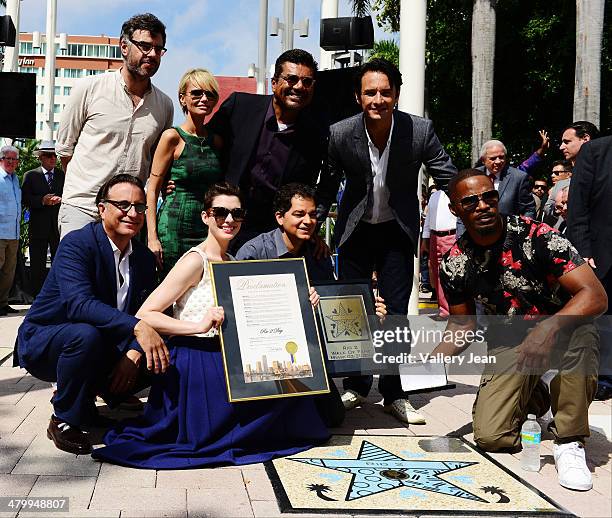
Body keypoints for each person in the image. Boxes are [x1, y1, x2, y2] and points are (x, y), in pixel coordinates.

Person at [92, 182, 329, 469]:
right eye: (220, 213)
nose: (229, 220)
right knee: (214, 432)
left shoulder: (231, 261)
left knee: (295, 394)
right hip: (195, 357)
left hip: (226, 356)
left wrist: (302, 302)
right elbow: (146, 313)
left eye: (236, 214)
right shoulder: (196, 260)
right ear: (206, 217)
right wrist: (198, 325)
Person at [433, 168, 607, 491]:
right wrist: (429, 361)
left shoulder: (538, 236)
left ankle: (570, 440)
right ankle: (541, 390)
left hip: (565, 328)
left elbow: (595, 295)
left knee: (581, 334)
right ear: (455, 209)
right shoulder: (455, 262)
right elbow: (462, 324)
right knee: (491, 435)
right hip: (512, 341)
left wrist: (550, 327)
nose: (483, 205)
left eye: (489, 196)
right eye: (471, 201)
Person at [316, 58, 457, 424]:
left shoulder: (420, 131)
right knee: (352, 312)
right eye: (370, 92)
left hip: (397, 230)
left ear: (396, 94)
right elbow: (327, 188)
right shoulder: (341, 133)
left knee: (396, 314)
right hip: (355, 230)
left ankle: (394, 392)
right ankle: (357, 385)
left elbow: (446, 174)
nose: (378, 99)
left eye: (385, 92)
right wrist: (313, 229)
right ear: (358, 96)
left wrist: (470, 212)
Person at [15, 175, 169, 455]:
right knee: (87, 335)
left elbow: (153, 310)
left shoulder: (144, 258)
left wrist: (134, 353)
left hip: (103, 342)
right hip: (48, 341)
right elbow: (79, 305)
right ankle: (63, 418)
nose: (132, 213)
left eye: (139, 207)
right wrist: (137, 328)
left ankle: (96, 398)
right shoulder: (78, 244)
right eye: (122, 205)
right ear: (101, 209)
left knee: (161, 348)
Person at [236, 182, 388, 427]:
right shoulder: (254, 252)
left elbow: (331, 308)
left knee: (332, 417)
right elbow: (240, 311)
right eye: (298, 214)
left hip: (306, 354)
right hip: (264, 353)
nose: (308, 221)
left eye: (312, 214)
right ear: (279, 217)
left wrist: (368, 314)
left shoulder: (318, 255)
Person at [55, 13, 173, 238]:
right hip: (84, 209)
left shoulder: (164, 106)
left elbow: (157, 161)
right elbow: (65, 151)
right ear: (124, 47)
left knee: (120, 275)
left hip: (130, 215)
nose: (153, 54)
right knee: (77, 273)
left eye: (159, 49)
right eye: (145, 46)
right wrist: (88, 189)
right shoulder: (88, 89)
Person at [207, 49, 326, 251]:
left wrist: (312, 231)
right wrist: (175, 179)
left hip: (272, 234)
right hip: (225, 220)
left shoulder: (315, 135)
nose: (299, 87)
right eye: (291, 79)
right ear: (274, 82)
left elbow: (311, 189)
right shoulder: (239, 106)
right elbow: (202, 146)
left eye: (307, 82)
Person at [146, 68, 223, 277]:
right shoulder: (172, 137)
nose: (204, 98)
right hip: (173, 227)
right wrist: (152, 237)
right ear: (182, 98)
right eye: (196, 93)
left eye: (210, 94)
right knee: (171, 288)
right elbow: (151, 190)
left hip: (207, 227)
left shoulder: (216, 141)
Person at [567, 135, 612, 401]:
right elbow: (578, 207)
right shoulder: (595, 152)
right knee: (603, 320)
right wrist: (584, 252)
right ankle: (604, 377)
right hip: (601, 254)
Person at [21, 141, 65, 296]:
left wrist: (61, 200)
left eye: (55, 155)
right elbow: (25, 199)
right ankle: (37, 296)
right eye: (48, 155)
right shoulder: (31, 175)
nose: (53, 158)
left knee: (59, 262)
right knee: (37, 264)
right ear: (40, 157)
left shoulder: (62, 175)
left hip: (57, 227)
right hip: (38, 226)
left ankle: (57, 295)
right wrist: (42, 200)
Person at [421, 188, 456, 319]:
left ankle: (454, 310)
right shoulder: (433, 195)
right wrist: (425, 240)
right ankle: (444, 310)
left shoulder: (454, 191)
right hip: (434, 236)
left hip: (451, 235)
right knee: (436, 275)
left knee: (452, 274)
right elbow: (428, 219)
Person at [477, 139, 535, 218]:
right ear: (483, 160)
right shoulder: (473, 176)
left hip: (506, 228)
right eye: (493, 158)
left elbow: (529, 209)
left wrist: (523, 228)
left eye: (501, 157)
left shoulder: (519, 178)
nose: (498, 161)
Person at [0, 145, 21, 317]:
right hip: (0, 233)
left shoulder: (15, 179)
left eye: (15, 159)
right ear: (1, 159)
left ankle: (3, 303)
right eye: (9, 159)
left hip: (13, 233)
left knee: (9, 271)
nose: (12, 162)